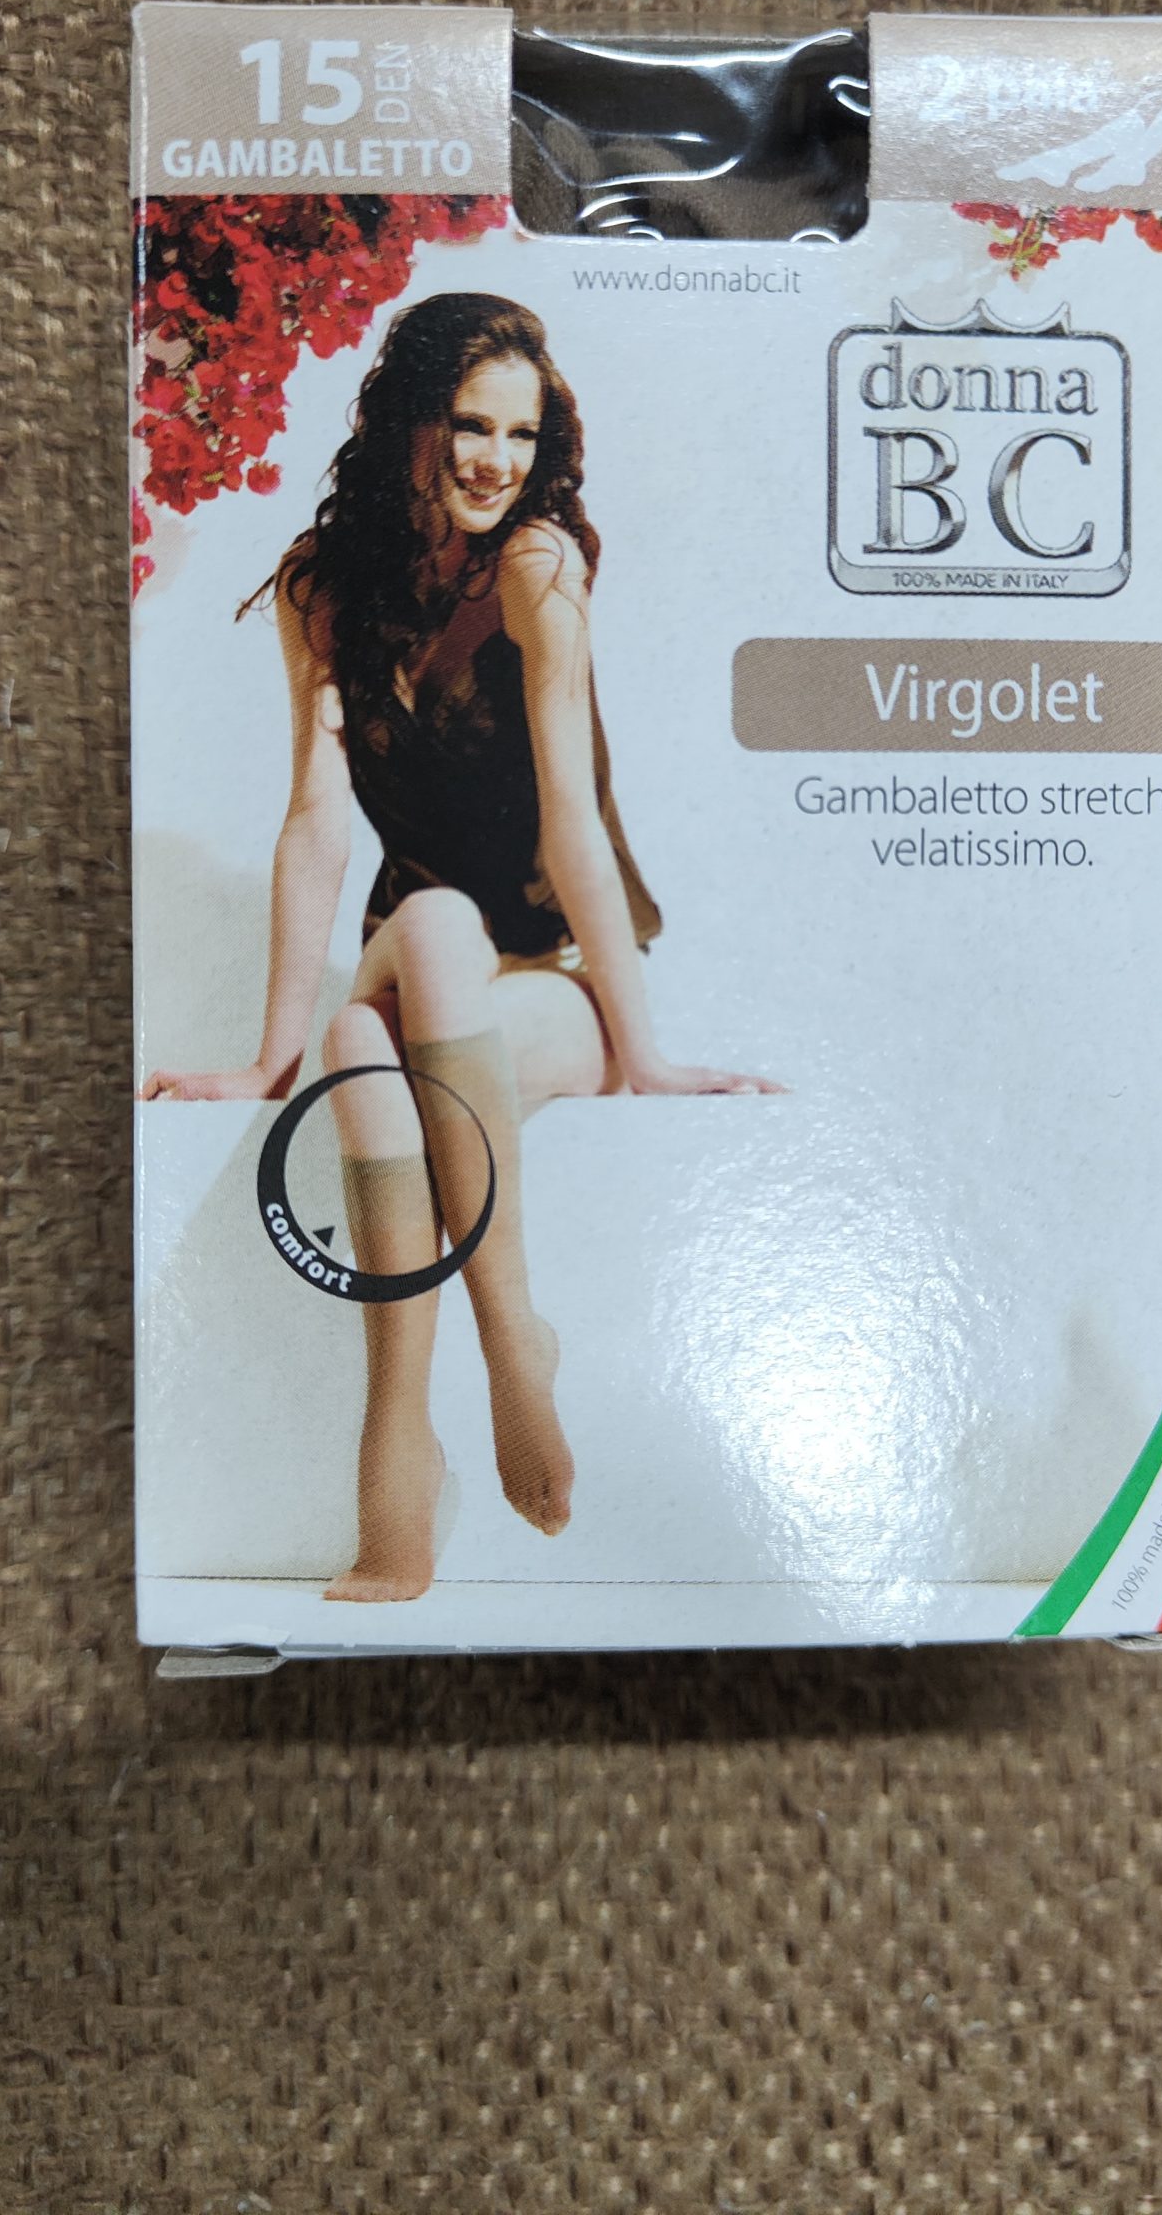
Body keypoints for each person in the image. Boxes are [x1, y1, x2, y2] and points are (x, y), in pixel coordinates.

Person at [140, 293, 779, 1600]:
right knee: (416, 938)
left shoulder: (538, 569)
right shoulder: (324, 585)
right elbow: (318, 822)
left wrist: (647, 1054)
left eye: (520, 434)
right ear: (413, 420)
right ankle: (491, 1358)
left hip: (546, 984)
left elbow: (573, 819)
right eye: (472, 426)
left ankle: (416, 1449)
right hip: (425, 957)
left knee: (358, 1043)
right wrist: (261, 1063)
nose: (497, 460)